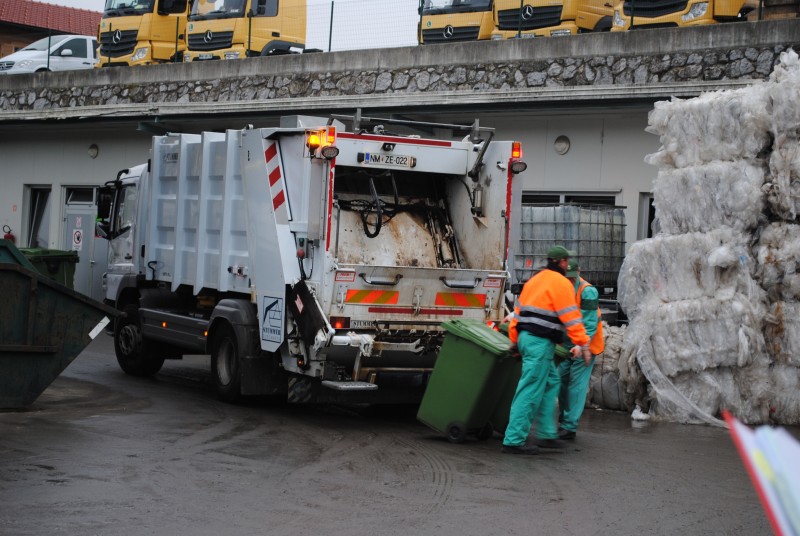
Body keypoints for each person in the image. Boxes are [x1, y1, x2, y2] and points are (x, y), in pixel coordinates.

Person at [502, 245, 591, 455]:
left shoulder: (535, 280)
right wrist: (583, 343)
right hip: (540, 342)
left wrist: (515, 341)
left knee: (551, 382)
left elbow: (518, 312)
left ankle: (547, 434)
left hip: (527, 338)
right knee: (530, 390)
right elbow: (571, 317)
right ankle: (513, 440)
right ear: (562, 263)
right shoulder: (561, 283)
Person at [556, 260, 604, 440]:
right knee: (560, 381)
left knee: (576, 386)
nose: (568, 280)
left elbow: (589, 324)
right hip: (566, 346)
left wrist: (581, 345)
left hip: (586, 347)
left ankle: (569, 427)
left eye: (571, 277)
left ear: (579, 272)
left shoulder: (588, 291)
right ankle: (563, 421)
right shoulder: (562, 288)